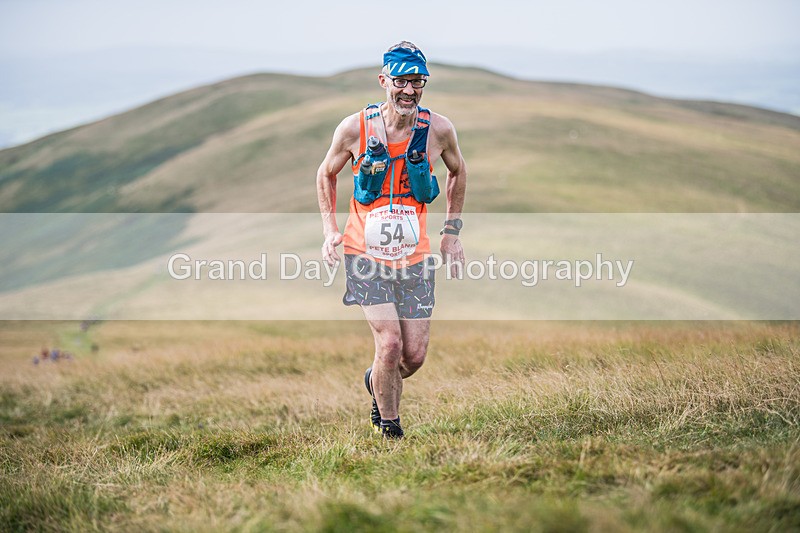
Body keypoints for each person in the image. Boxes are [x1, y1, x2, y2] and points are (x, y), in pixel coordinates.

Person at [316, 41, 467, 439]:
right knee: (390, 342)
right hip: (363, 252)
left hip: (414, 256)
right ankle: (390, 429)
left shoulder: (438, 129)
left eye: (417, 81)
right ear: (384, 80)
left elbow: (457, 172)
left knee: (412, 356)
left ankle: (376, 382)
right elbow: (325, 174)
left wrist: (451, 231)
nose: (409, 90)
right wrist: (330, 230)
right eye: (401, 80)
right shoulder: (355, 128)